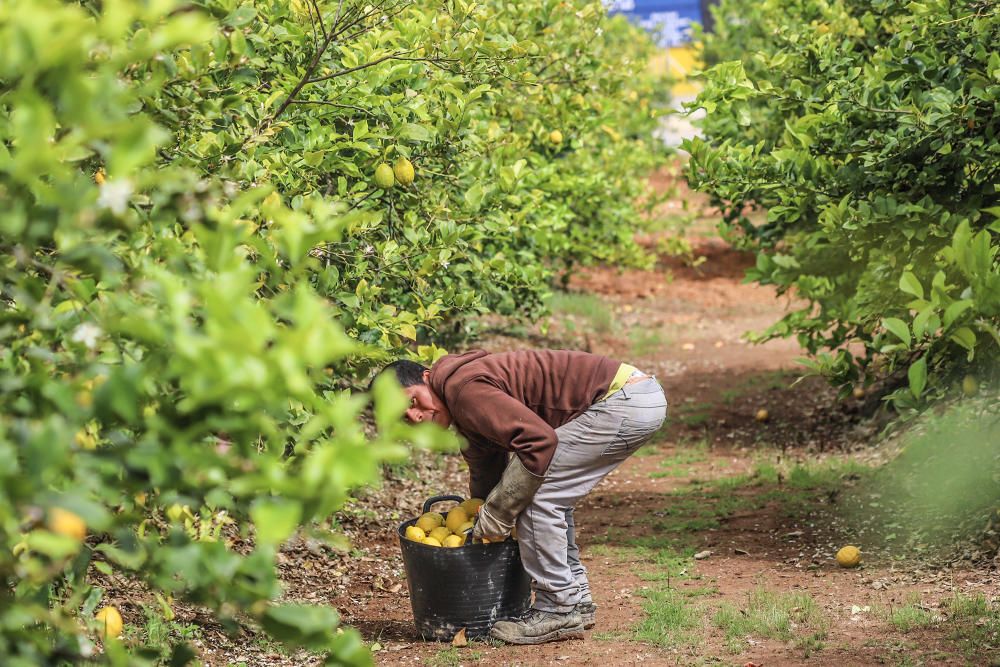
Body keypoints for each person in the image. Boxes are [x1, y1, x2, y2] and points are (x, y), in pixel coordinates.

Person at [377, 349, 667, 645]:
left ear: (426, 377)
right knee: (543, 491)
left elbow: (538, 442)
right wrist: (483, 514)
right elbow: (485, 470)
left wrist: (500, 512)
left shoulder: (463, 389)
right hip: (635, 397)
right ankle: (575, 600)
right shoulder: (461, 401)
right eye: (404, 417)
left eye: (412, 401)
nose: (415, 415)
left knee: (535, 496)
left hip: (624, 401)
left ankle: (558, 608)